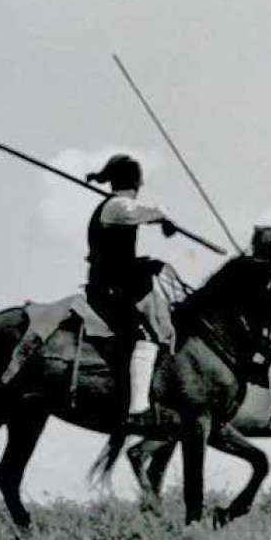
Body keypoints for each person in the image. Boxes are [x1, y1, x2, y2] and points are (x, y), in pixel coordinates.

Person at [84, 154, 178, 427]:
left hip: (115, 285)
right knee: (144, 336)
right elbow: (143, 212)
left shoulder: (118, 206)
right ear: (136, 181)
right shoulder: (117, 206)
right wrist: (162, 216)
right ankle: (137, 409)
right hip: (109, 289)